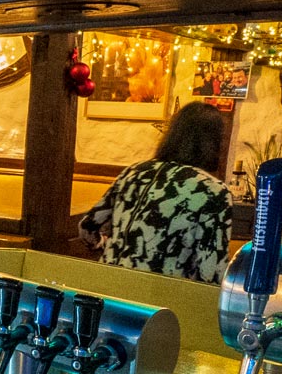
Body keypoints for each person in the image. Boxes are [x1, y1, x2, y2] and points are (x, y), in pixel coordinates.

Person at [79, 102, 232, 283]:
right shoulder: (212, 191)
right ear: (214, 143)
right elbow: (212, 271)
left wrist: (105, 245)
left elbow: (86, 227)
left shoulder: (134, 172)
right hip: (159, 294)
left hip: (106, 285)